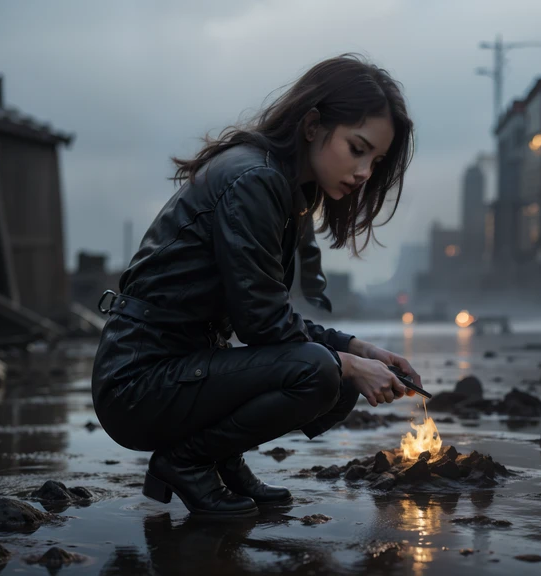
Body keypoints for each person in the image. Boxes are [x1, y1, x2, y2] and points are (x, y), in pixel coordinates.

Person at [91, 54, 419, 518]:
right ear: (312, 125)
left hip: (178, 367)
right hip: (137, 383)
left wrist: (359, 349)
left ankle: (221, 460)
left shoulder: (279, 185)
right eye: (357, 148)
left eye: (376, 159)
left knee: (336, 371)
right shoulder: (255, 180)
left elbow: (266, 311)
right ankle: (187, 461)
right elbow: (264, 325)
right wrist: (345, 362)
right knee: (322, 372)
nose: (365, 172)